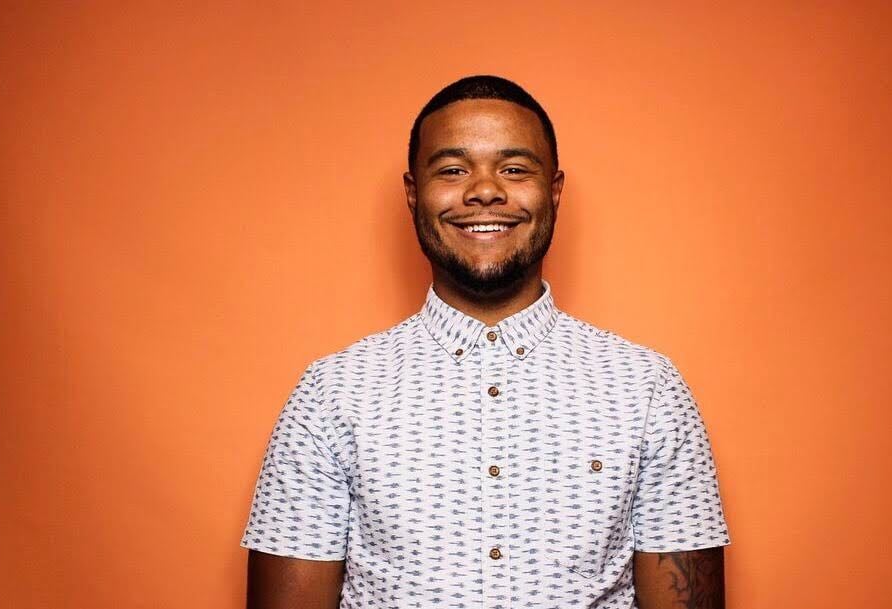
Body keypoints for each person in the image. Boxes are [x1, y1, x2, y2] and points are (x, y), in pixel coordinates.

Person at [242, 75, 730, 609]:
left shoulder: (647, 390)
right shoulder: (331, 393)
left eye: (515, 169)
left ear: (554, 192)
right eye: (453, 170)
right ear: (413, 194)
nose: (484, 191)